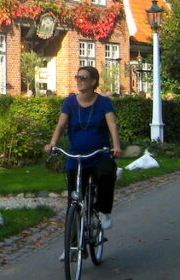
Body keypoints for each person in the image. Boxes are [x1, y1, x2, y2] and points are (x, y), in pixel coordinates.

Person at [45, 66, 123, 229]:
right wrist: (53, 143)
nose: (79, 81)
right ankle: (72, 247)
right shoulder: (70, 102)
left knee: (106, 174)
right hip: (76, 156)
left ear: (93, 81)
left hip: (99, 154)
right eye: (77, 77)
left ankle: (103, 211)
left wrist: (116, 147)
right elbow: (60, 125)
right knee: (73, 200)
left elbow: (112, 125)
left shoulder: (104, 102)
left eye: (83, 78)